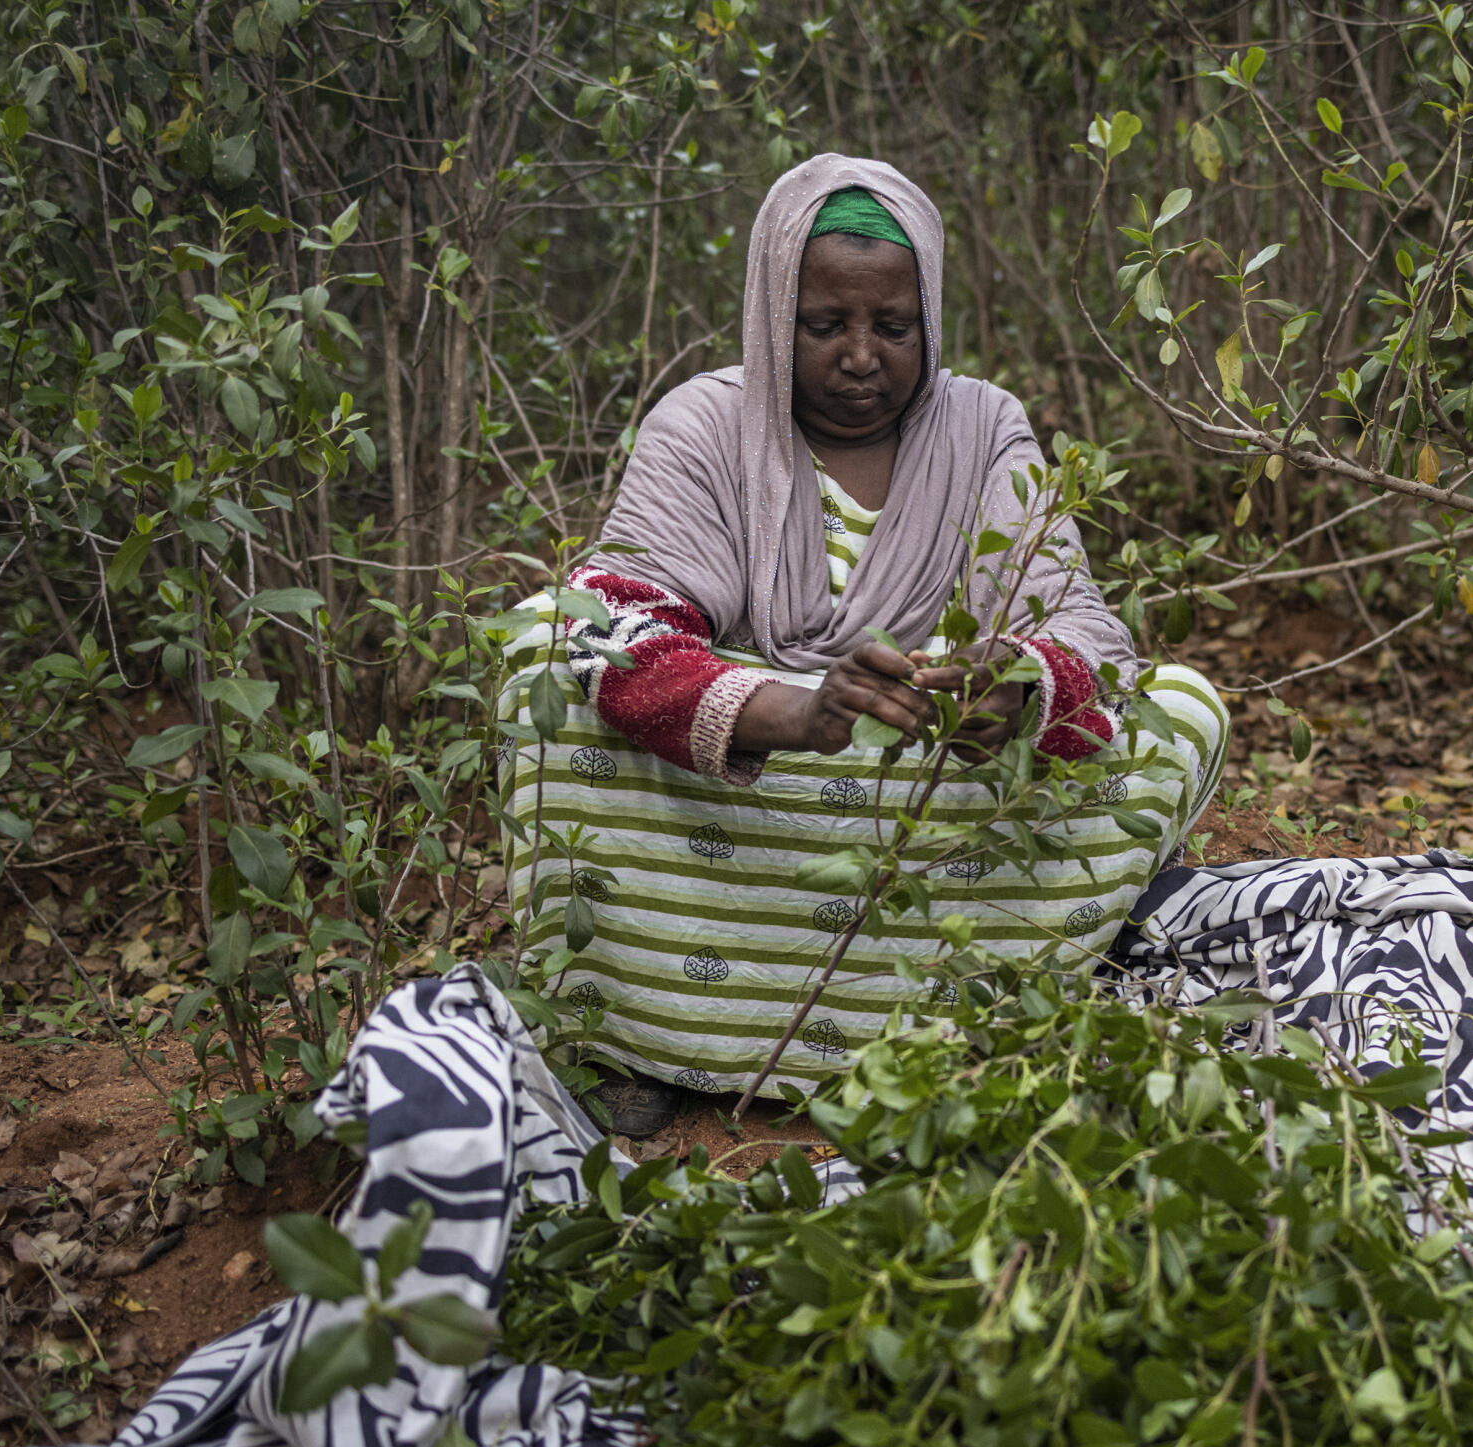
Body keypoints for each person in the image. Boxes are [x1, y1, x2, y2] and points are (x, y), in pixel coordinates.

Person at [503, 155, 1227, 1134]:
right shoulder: (703, 426)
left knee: (1177, 709)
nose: (858, 357)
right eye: (823, 325)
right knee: (544, 666)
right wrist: (791, 714)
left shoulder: (980, 427)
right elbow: (610, 624)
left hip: (925, 773)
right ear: (771, 314)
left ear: (929, 315)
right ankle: (651, 1037)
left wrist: (1012, 688)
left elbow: (1083, 633)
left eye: (892, 326)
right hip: (749, 782)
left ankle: (968, 1028)